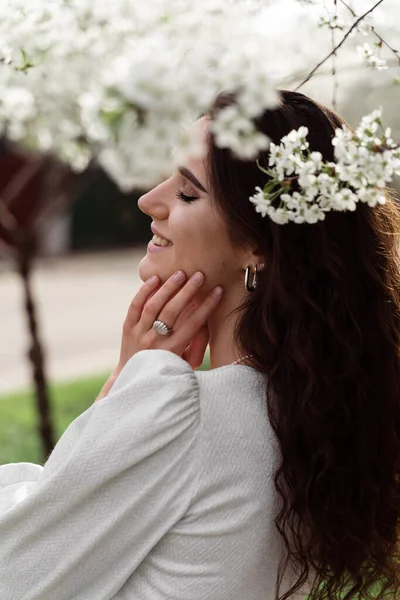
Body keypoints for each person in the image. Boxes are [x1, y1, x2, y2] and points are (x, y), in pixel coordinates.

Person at [0, 89, 399, 600]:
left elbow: (15, 575)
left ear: (257, 245)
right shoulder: (311, 418)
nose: (148, 200)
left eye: (187, 194)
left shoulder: (182, 412)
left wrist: (121, 391)